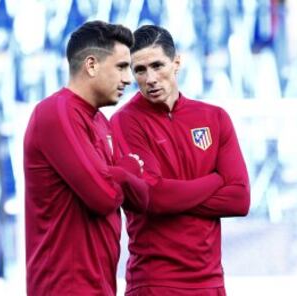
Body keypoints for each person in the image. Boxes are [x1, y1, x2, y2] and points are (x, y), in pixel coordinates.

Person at [111, 25, 250, 296]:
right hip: (154, 282)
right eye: (139, 70)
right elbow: (153, 198)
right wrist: (215, 180)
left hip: (210, 283)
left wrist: (173, 194)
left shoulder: (215, 118)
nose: (150, 78)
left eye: (157, 65)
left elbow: (239, 199)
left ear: (176, 62)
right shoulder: (124, 123)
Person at [23, 20, 148, 296]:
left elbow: (140, 198)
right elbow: (102, 197)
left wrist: (114, 175)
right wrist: (125, 170)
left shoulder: (101, 122)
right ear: (91, 65)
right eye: (121, 67)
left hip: (101, 287)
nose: (129, 79)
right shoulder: (56, 112)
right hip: (63, 289)